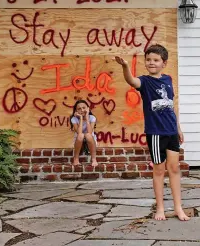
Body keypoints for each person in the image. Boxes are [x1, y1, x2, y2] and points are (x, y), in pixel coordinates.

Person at [115, 44, 190, 221]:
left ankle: (179, 208)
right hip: (156, 133)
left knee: (174, 168)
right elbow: (131, 81)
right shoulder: (145, 82)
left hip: (171, 131)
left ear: (164, 63)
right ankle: (160, 208)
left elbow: (172, 106)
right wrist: (125, 66)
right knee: (159, 170)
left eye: (156, 60)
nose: (151, 63)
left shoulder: (168, 80)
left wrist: (178, 128)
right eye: (148, 60)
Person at [70, 100, 98, 167]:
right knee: (81, 135)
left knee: (88, 135)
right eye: (79, 109)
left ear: (88, 108)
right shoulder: (74, 119)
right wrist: (81, 118)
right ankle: (76, 159)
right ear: (76, 111)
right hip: (79, 140)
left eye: (84, 108)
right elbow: (79, 132)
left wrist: (87, 118)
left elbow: (90, 132)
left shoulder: (92, 118)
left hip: (90, 139)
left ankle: (94, 159)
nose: (82, 110)